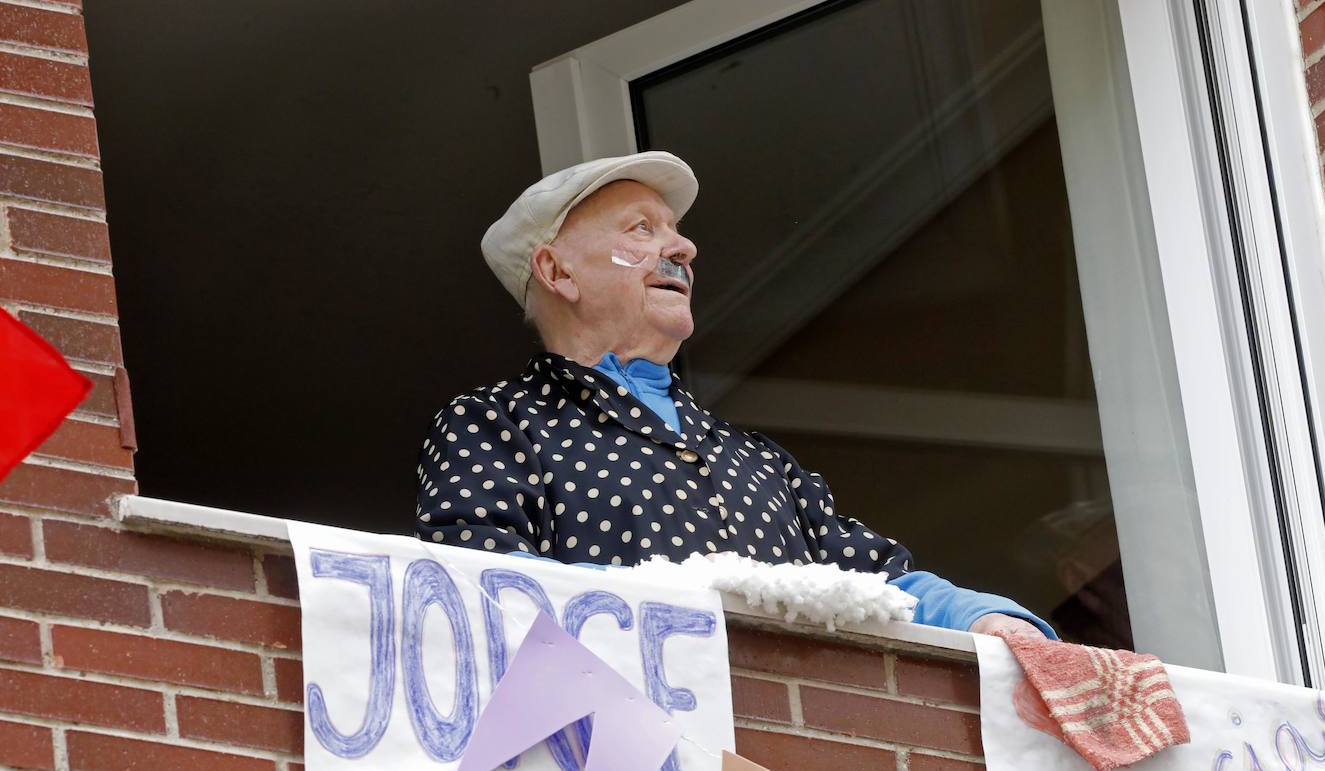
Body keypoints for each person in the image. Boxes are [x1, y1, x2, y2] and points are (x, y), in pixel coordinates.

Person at [416, 151, 1053, 640]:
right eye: (641, 229)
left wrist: (986, 621)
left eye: (676, 232)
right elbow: (477, 590)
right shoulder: (495, 422)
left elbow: (876, 584)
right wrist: (699, 596)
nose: (684, 248)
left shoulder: (756, 458)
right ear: (557, 272)